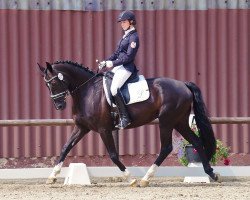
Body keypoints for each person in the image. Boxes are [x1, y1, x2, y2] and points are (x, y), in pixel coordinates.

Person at [99, 10, 140, 129]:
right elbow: (117, 53)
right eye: (121, 22)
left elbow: (128, 57)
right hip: (119, 66)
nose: (122, 24)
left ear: (131, 22)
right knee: (105, 81)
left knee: (114, 89)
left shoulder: (134, 37)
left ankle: (125, 117)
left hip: (127, 67)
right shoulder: (126, 35)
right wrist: (105, 61)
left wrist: (112, 63)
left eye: (124, 22)